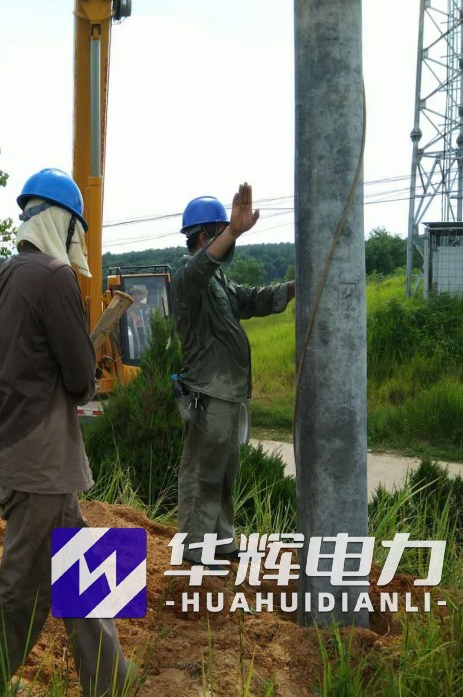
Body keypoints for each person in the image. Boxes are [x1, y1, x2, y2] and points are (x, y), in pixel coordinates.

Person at [0, 168, 134, 696]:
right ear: (65, 224)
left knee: (86, 570)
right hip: (43, 460)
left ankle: (113, 679)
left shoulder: (2, 277)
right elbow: (81, 381)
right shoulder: (55, 277)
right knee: (25, 588)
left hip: (21, 448)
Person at [172, 183, 295, 566]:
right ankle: (194, 548)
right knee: (202, 473)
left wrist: (292, 289)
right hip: (209, 392)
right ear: (205, 237)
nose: (229, 240)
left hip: (227, 392)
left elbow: (252, 298)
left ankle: (222, 541)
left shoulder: (219, 284)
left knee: (223, 472)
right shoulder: (188, 278)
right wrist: (235, 231)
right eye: (221, 231)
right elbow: (200, 268)